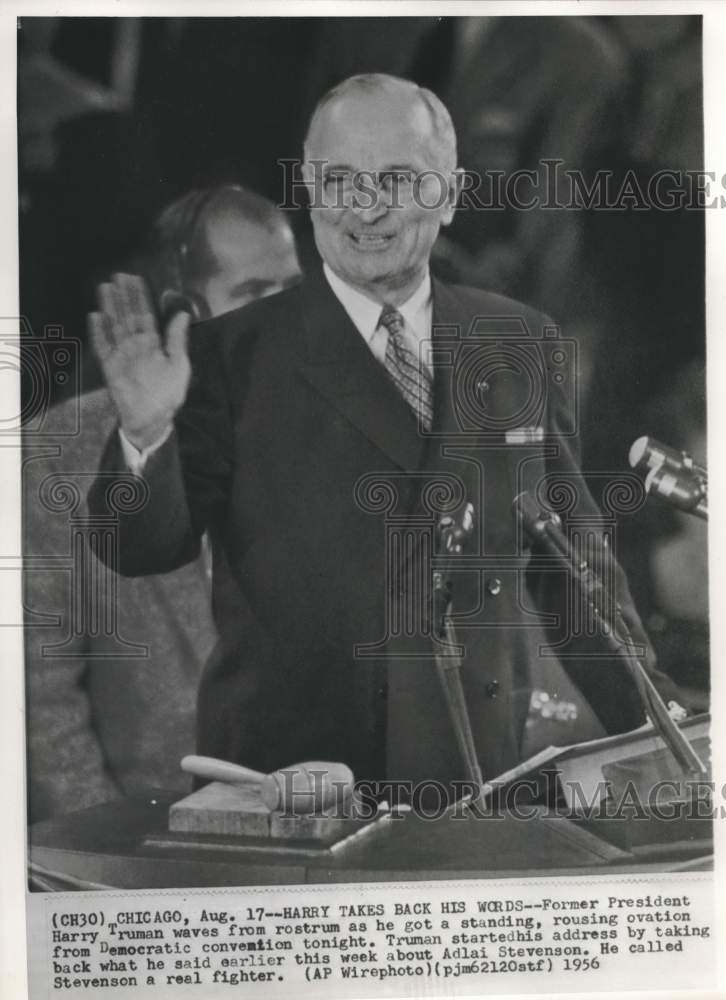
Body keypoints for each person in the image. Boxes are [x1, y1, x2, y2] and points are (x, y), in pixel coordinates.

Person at [88, 75, 681, 800]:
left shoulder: (517, 340)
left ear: (451, 193)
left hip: (476, 780)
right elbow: (138, 546)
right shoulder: (230, 354)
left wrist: (665, 726)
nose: (365, 208)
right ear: (308, 188)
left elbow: (573, 570)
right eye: (339, 180)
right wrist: (145, 432)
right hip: (296, 792)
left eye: (397, 179)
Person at [24, 185, 302, 820]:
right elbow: (41, 710)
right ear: (185, 312)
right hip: (134, 849)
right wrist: (112, 871)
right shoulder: (55, 457)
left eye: (296, 292)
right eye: (259, 296)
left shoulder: (326, 431)